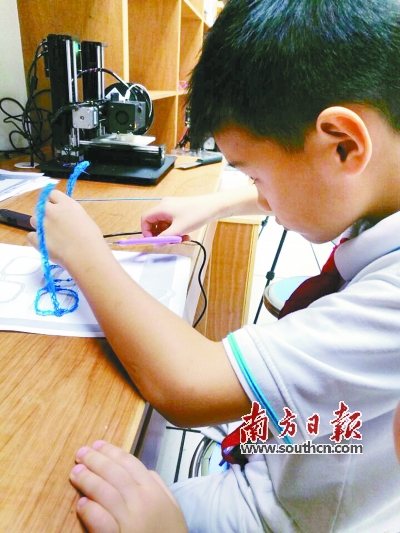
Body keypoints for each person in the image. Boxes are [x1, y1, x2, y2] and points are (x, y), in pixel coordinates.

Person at [28, 0, 400, 531]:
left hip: (281, 512)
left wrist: (86, 252)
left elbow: (189, 386)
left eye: (254, 175)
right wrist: (219, 202)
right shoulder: (381, 178)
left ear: (343, 147)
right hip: (287, 455)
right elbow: (326, 185)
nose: (257, 192)